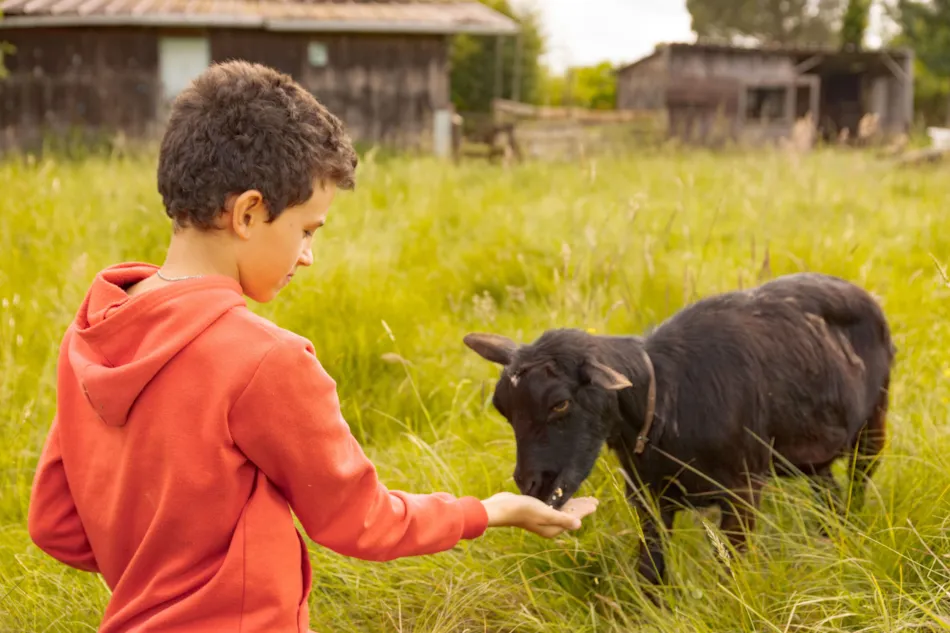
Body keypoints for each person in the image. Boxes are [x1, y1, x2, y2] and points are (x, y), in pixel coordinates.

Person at [26, 60, 598, 633]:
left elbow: (54, 523)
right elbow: (361, 520)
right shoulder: (265, 361)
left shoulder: (95, 326)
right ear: (249, 212)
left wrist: (153, 566)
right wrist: (489, 511)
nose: (307, 255)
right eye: (306, 230)